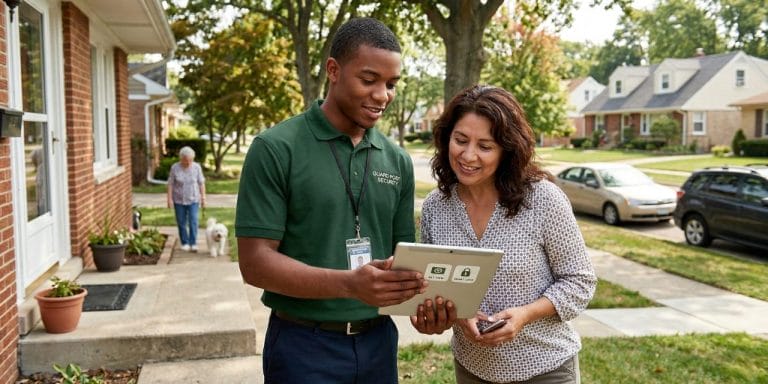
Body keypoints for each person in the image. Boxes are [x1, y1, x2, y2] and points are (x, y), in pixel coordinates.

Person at [235, 17, 426, 384]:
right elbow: (255, 263)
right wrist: (349, 283)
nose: (382, 95)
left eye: (391, 84)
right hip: (303, 345)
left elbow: (405, 258)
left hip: (378, 343)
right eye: (369, 80)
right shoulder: (276, 148)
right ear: (334, 70)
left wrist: (430, 304)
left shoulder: (396, 160)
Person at [413, 85, 597, 383]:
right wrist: (453, 315)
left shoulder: (543, 199)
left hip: (545, 368)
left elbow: (580, 282)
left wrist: (526, 314)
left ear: (506, 150)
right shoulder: (436, 206)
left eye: (485, 146)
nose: (468, 155)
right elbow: (437, 285)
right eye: (460, 140)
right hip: (473, 369)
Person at [167, 146, 206, 252]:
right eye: (185, 160)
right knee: (181, 222)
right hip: (178, 200)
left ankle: (193, 242)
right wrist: (169, 199)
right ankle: (185, 242)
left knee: (193, 221)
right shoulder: (175, 168)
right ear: (181, 158)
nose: (188, 162)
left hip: (193, 199)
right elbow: (170, 184)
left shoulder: (196, 167)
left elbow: (201, 183)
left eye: (190, 160)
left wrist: (203, 197)